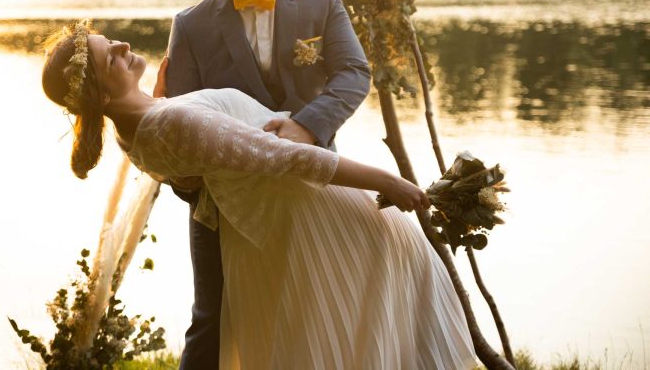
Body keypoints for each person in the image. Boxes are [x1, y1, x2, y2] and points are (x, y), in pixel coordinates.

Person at [41, 20, 477, 369]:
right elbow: (289, 158)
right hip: (306, 211)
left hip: (269, 229)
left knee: (351, 325)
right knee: (362, 313)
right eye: (108, 57)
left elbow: (193, 168)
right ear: (100, 93)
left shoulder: (132, 127)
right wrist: (388, 181)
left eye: (109, 41)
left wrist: (159, 98)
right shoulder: (166, 123)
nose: (120, 46)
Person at [154, 0, 374, 369]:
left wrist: (308, 126)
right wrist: (193, 186)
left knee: (316, 313)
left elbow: (355, 74)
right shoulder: (190, 26)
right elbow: (179, 118)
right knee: (211, 320)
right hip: (223, 206)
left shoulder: (322, 3)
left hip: (312, 190)